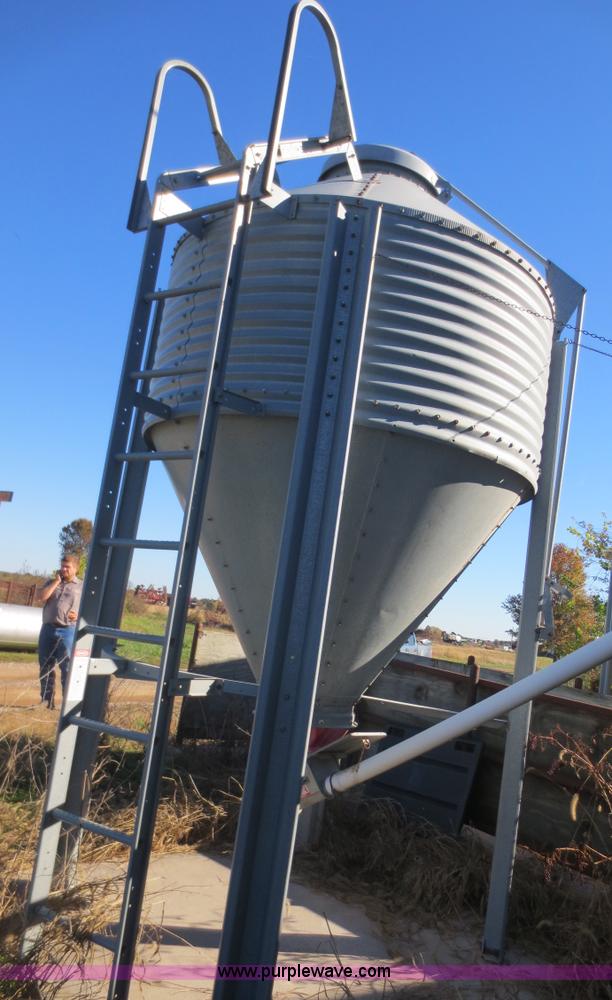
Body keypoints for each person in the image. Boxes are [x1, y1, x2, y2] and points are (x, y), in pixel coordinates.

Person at [37, 554, 83, 708]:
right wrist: (56, 581)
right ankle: (46, 700)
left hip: (68, 630)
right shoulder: (52, 582)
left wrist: (80, 614)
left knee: (67, 667)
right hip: (48, 628)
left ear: (75, 568)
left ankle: (67, 704)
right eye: (62, 566)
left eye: (67, 567)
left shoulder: (82, 586)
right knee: (45, 665)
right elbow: (41, 597)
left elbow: (91, 610)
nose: (64, 569)